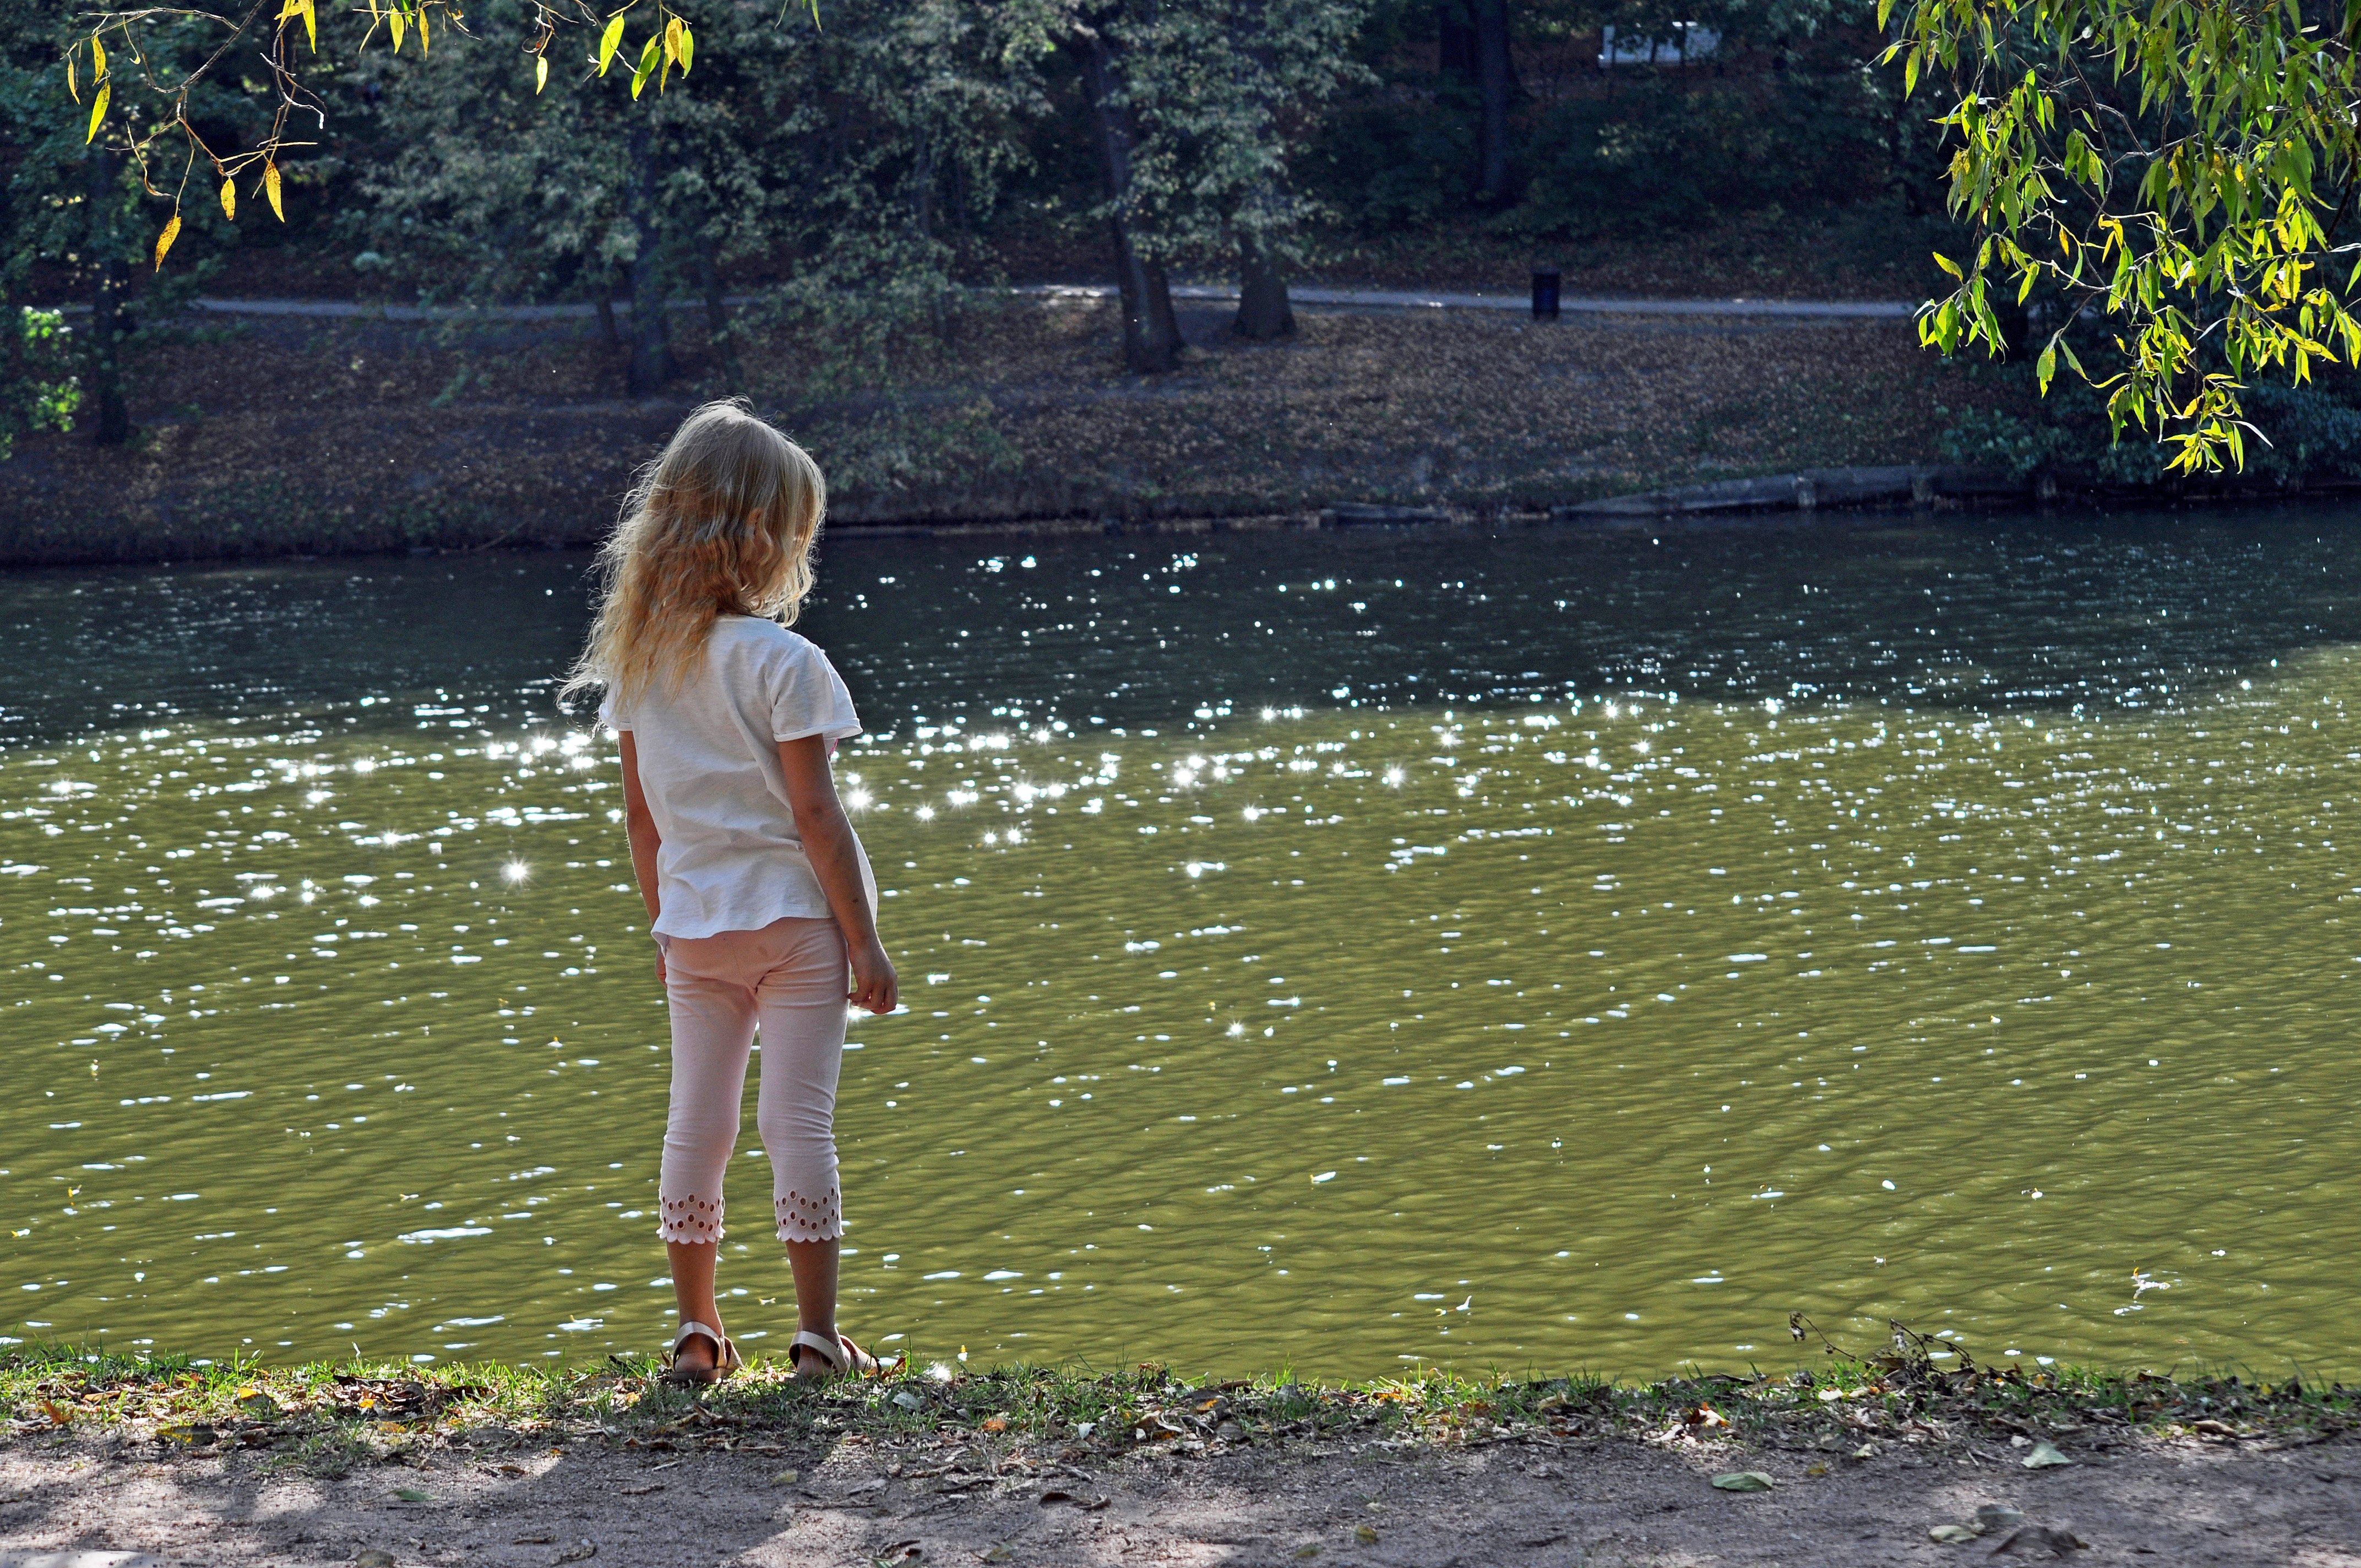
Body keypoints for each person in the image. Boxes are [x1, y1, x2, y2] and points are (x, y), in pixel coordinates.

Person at [562, 399, 897, 1386]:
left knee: (694, 1125)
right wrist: (866, 942)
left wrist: (664, 922)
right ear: (763, 538)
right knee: (796, 1123)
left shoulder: (644, 664)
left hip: (695, 928)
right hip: (798, 924)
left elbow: (642, 821)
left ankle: (697, 1335)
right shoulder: (786, 664)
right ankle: (817, 1341)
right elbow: (815, 818)